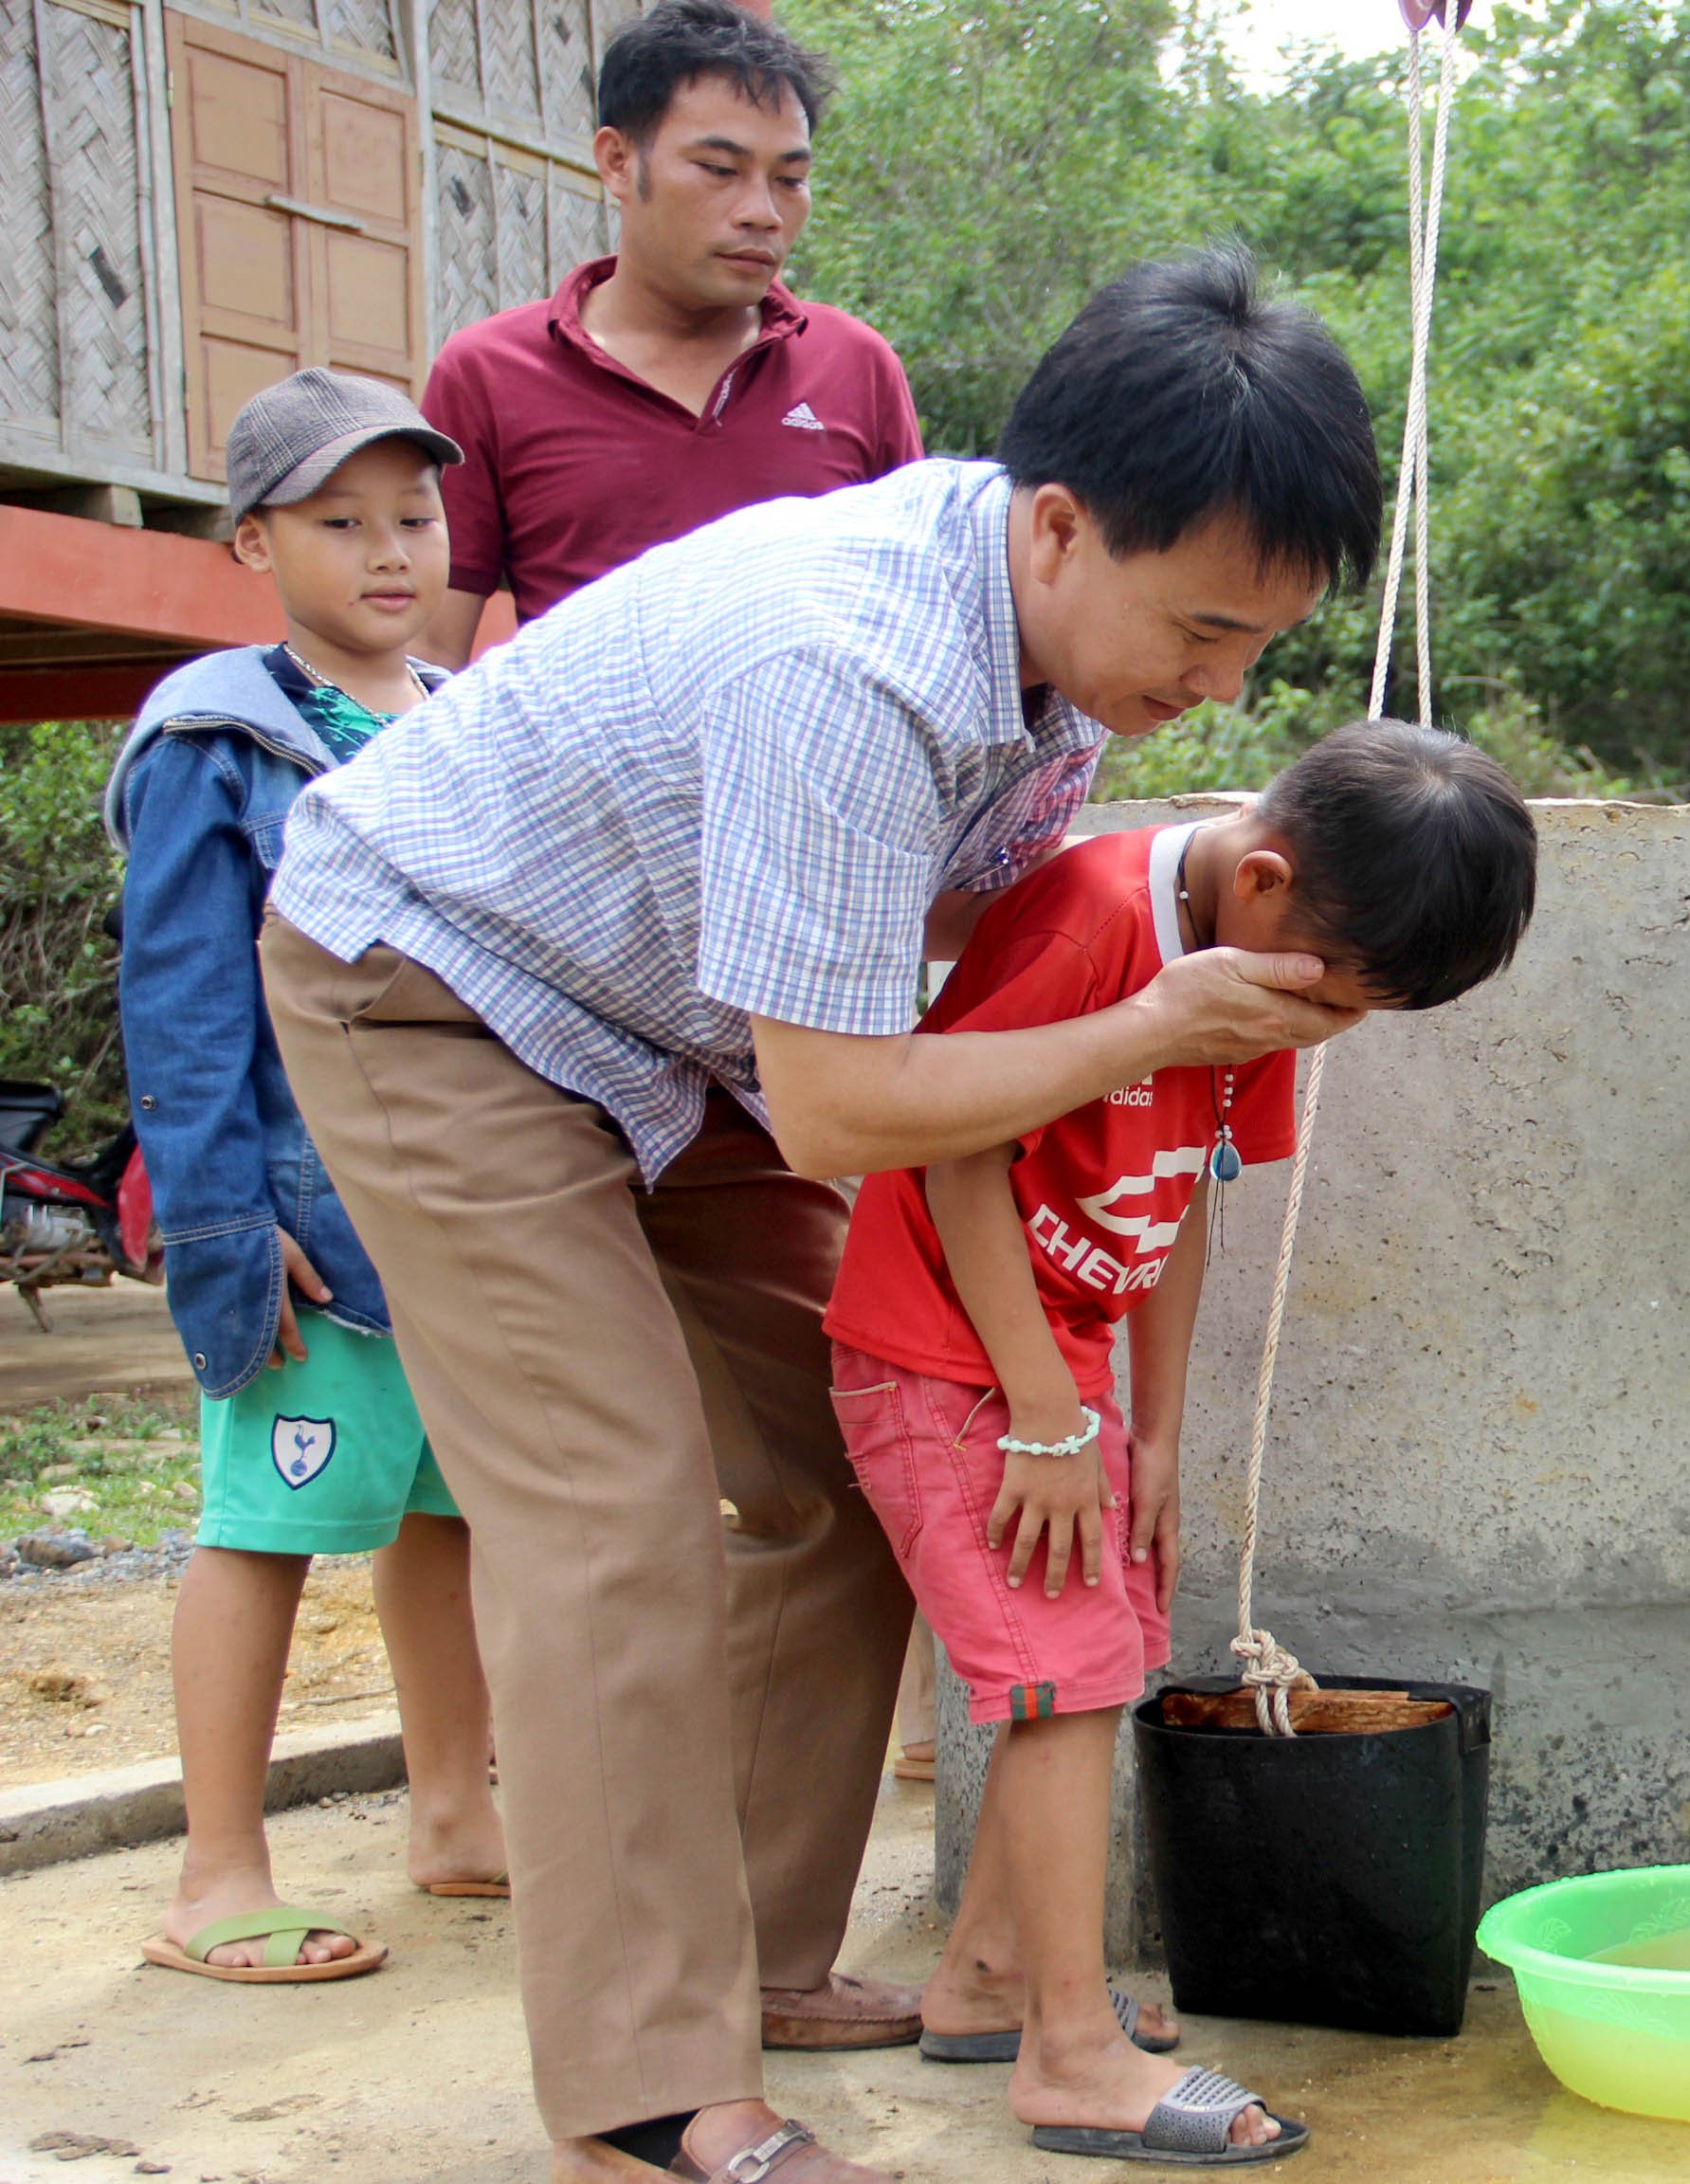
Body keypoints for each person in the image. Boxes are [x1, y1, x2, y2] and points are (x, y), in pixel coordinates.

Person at [258, 247, 1382, 2184]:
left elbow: (914, 1011)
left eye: (1260, 652)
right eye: (1203, 627)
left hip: (671, 1027)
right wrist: (1158, 1014)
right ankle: (640, 2095)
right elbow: (855, 1106)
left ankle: (763, 1961)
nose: (1221, 686)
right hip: (436, 985)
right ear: (1056, 524)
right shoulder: (846, 663)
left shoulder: (1048, 677)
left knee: (886, 1422)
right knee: (610, 1517)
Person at [827, 721, 1537, 2165]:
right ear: (1264, 885)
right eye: (1336, 1002)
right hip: (951, 1359)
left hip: (1062, 1362)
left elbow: (1191, 1194)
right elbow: (953, 1143)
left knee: (1108, 1644)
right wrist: (1040, 1411)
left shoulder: (1255, 983)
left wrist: (1154, 1429)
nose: (1325, 1031)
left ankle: (991, 1979)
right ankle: (1071, 2056)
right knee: (1064, 1680)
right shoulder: (1097, 919)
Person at [105, 371, 508, 1983]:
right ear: (254, 540)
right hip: (307, 1224)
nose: (388, 549)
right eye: (339, 522)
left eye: (413, 514)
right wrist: (220, 1221)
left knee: (451, 1514)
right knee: (262, 1520)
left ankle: (457, 1812)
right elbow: (184, 1006)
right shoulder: (219, 739)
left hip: (458, 1212)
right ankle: (215, 1868)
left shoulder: (462, 713)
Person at [413, 0, 920, 664]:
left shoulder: (855, 365)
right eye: (719, 170)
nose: (762, 213)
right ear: (619, 162)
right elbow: (427, 658)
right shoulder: (489, 373)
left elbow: (914, 623)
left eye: (791, 179)